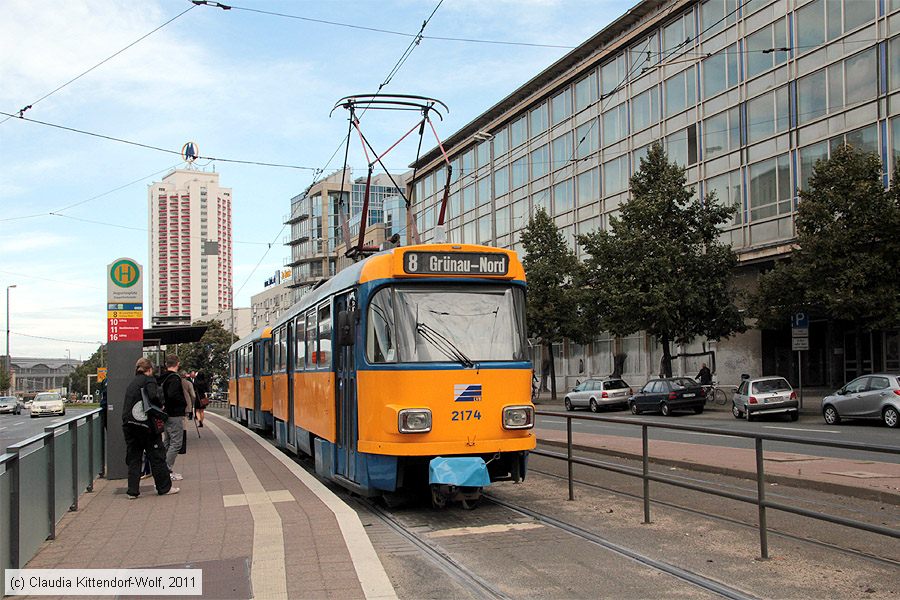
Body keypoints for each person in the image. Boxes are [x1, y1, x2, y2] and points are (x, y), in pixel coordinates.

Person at [122, 357, 178, 498]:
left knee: (134, 458)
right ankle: (164, 488)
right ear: (150, 369)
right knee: (157, 456)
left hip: (129, 425)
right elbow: (153, 396)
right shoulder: (149, 380)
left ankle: (132, 491)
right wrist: (161, 406)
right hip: (146, 426)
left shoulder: (132, 383)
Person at [159, 355, 187, 480]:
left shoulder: (163, 377)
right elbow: (173, 395)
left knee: (167, 441)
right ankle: (167, 470)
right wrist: (182, 403)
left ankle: (162, 469)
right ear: (178, 363)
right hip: (174, 414)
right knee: (176, 443)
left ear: (166, 364)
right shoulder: (175, 378)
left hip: (165, 414)